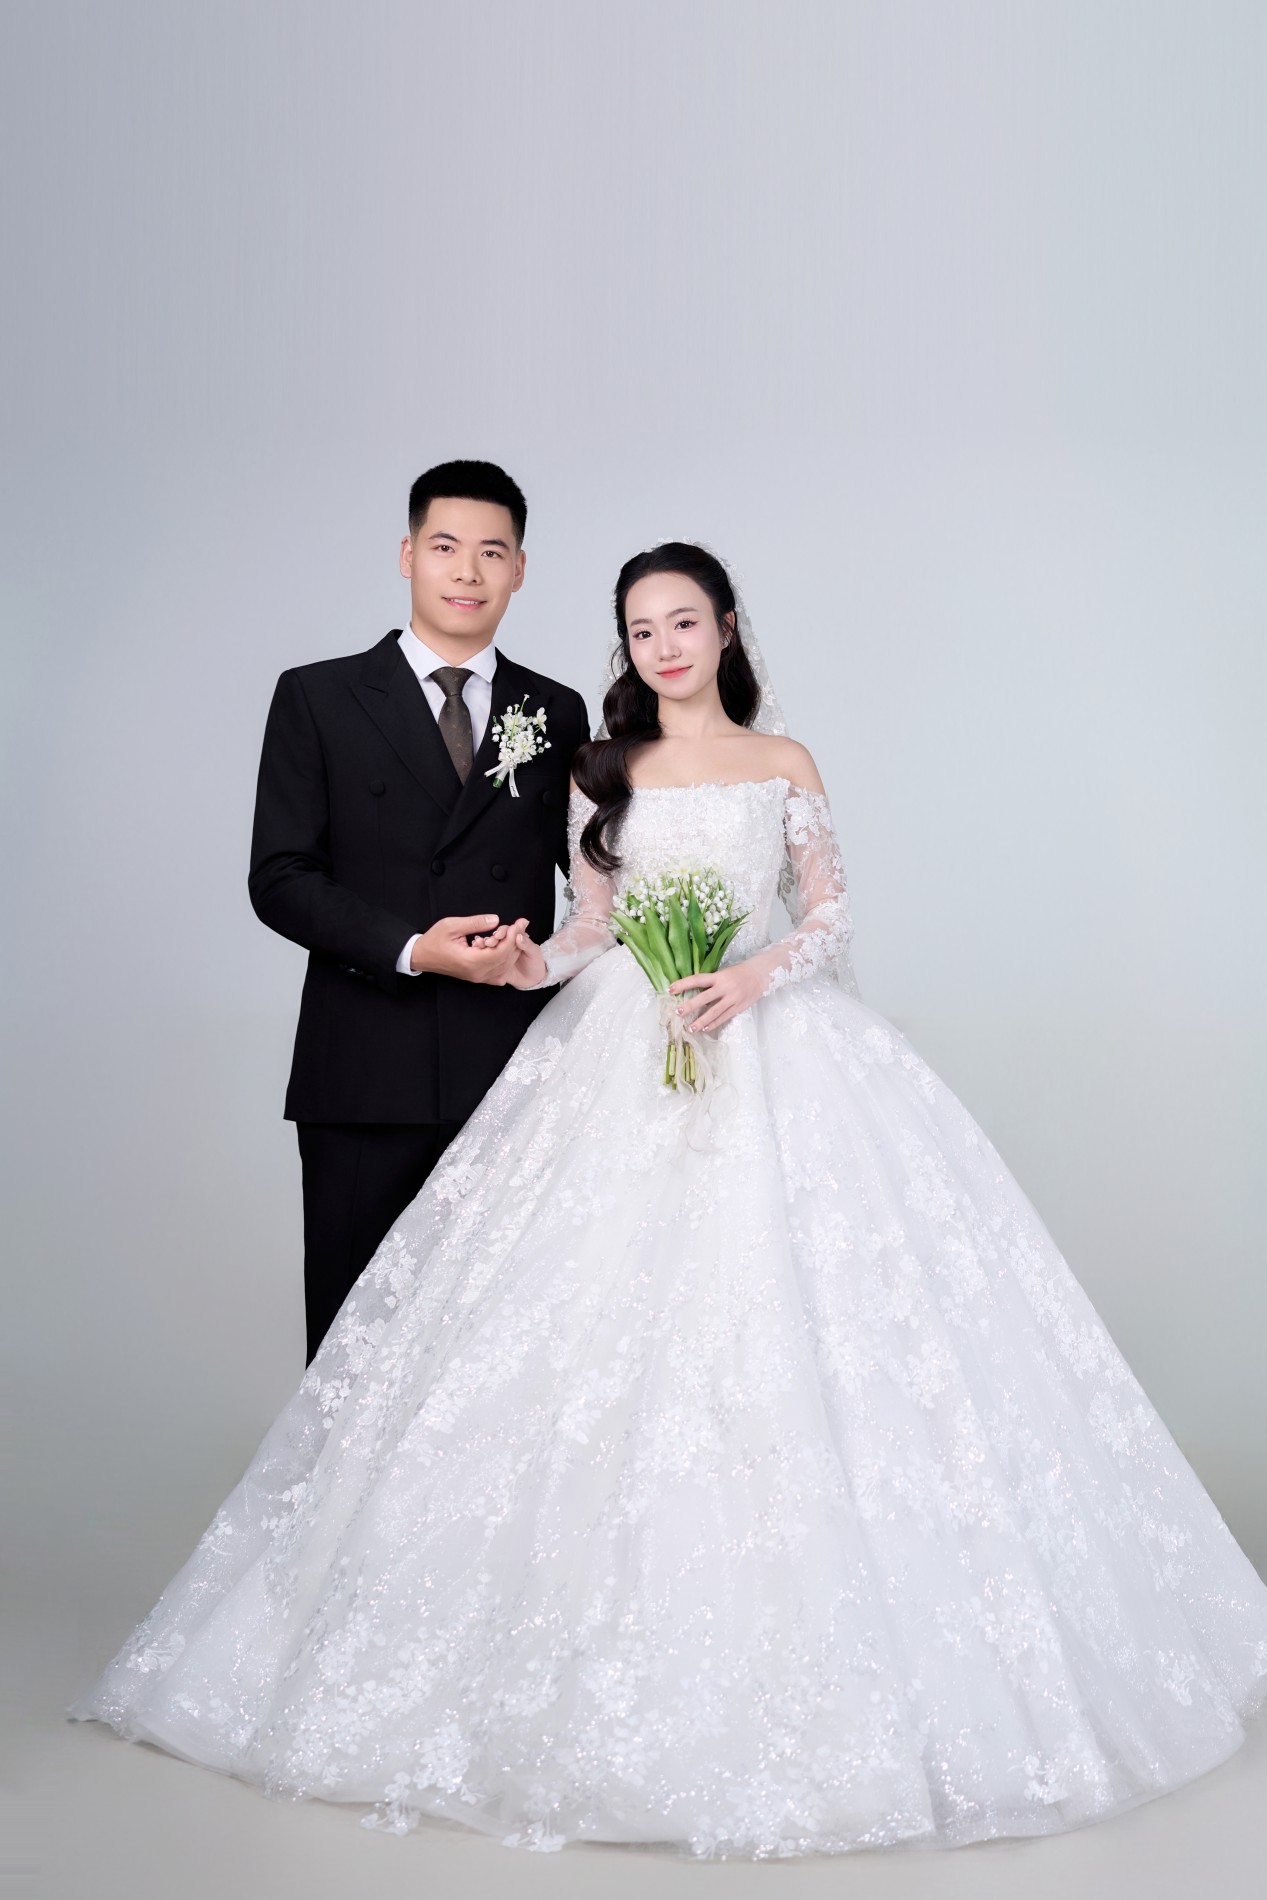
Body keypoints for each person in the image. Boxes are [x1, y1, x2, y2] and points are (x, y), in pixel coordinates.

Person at [70, 542, 1267, 1860]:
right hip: (616, 1052)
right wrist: (525, 964)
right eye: (640, 630)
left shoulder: (782, 760)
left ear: (725, 627)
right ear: (625, 647)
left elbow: (828, 918)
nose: (663, 647)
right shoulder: (604, 772)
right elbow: (589, 928)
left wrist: (749, 979)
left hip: (770, 1041)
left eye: (682, 622)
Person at [246, 459, 589, 1362]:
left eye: (492, 552)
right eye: (444, 547)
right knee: (353, 1354)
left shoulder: (555, 711)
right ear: (407, 555)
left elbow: (596, 886)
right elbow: (279, 876)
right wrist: (413, 948)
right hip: (364, 1073)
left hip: (510, 1074)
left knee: (494, 1361)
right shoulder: (317, 696)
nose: (467, 571)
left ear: (520, 569)